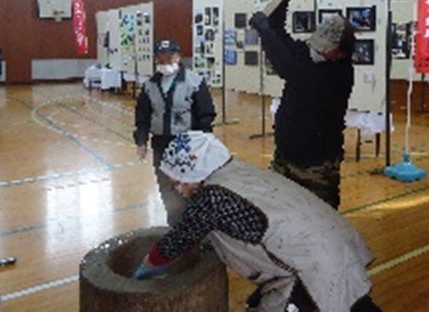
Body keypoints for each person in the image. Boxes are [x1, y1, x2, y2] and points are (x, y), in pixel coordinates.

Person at [133, 132, 380, 312]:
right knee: (354, 304)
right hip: (334, 247)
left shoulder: (213, 197)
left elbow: (178, 240)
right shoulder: (235, 170)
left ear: (196, 173)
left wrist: (147, 268)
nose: (178, 188)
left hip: (311, 269)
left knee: (331, 301)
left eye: (179, 180)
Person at [249, 0, 356, 209]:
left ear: (341, 51)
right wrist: (281, 3)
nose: (319, 50)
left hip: (316, 164)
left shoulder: (338, 74)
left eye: (325, 48)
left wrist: (264, 32)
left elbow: (287, 67)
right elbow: (282, 36)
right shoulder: (313, 56)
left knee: (320, 217)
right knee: (279, 212)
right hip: (285, 155)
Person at [133, 38, 216, 225]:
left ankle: (196, 225)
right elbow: (142, 116)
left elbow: (205, 114)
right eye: (160, 59)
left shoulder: (194, 81)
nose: (165, 63)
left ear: (179, 57)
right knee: (166, 185)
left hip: (188, 143)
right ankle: (175, 224)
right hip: (161, 143)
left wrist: (205, 143)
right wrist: (141, 141)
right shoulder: (150, 85)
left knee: (191, 185)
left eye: (169, 58)